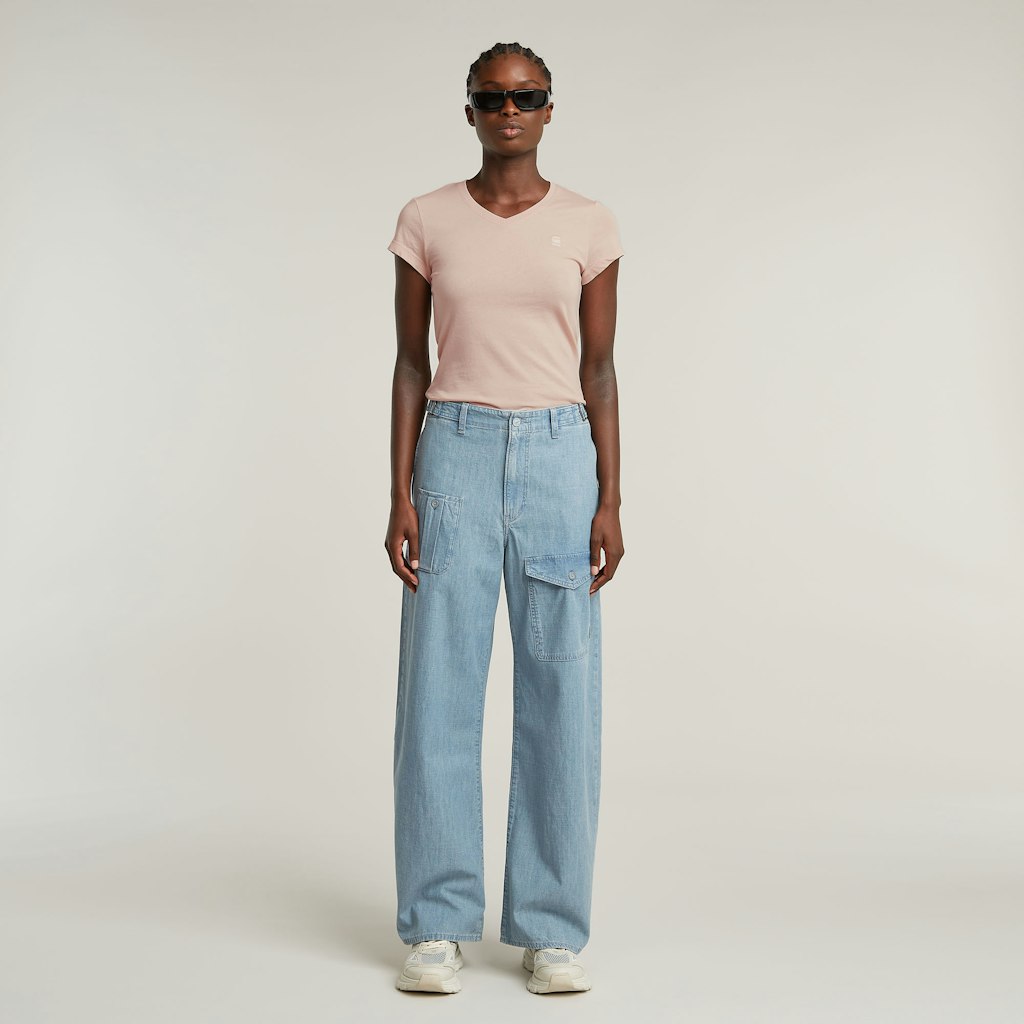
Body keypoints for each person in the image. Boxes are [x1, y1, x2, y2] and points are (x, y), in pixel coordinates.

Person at [384, 41, 625, 996]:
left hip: (562, 455)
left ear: (550, 108)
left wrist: (611, 496)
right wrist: (399, 490)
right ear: (471, 110)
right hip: (455, 449)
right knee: (438, 689)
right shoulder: (426, 219)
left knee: (562, 690)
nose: (510, 112)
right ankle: (436, 923)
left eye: (527, 97)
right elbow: (411, 361)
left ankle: (552, 929)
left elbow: (599, 368)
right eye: (493, 98)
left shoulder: (590, 224)